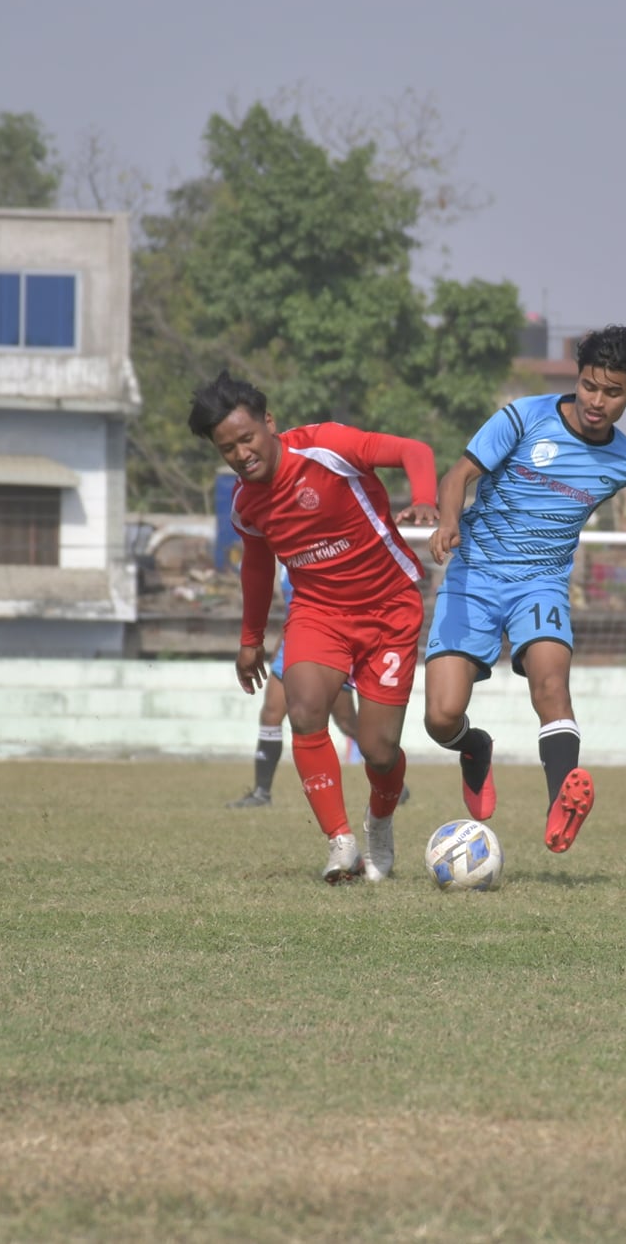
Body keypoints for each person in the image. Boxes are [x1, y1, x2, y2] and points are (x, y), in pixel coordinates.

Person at [190, 372, 438, 882]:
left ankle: (380, 825)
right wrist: (249, 640)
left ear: (269, 423)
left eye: (246, 438)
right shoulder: (246, 504)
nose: (240, 454)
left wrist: (426, 498)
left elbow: (415, 450)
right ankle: (342, 844)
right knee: (302, 711)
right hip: (319, 611)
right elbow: (257, 566)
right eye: (226, 449)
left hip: (390, 607)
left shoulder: (327, 446)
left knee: (379, 749)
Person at [422, 324, 626, 853]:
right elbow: (457, 476)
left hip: (541, 585)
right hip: (473, 574)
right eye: (591, 385)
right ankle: (474, 747)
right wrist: (449, 522)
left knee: (551, 685)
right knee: (441, 716)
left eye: (613, 392)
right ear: (579, 377)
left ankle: (558, 809)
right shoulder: (525, 416)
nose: (597, 401)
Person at [229, 568, 369, 809]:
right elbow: (294, 610)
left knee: (347, 722)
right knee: (271, 714)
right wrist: (278, 646)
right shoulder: (285, 558)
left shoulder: (324, 553)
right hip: (294, 641)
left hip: (328, 643)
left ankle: (389, 777)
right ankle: (262, 792)